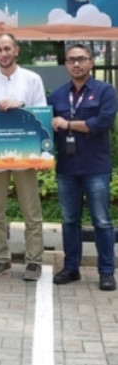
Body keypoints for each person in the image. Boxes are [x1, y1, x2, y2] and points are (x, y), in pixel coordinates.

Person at [0, 33, 47, 281]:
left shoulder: (32, 79)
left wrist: (21, 104)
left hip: (25, 152)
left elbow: (41, 114)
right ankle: (1, 258)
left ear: (16, 50)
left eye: (7, 48)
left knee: (31, 210)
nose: (3, 53)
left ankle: (34, 260)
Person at [48, 43, 118, 291]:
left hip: (95, 167)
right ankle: (71, 267)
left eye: (81, 59)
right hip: (67, 168)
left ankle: (107, 271)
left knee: (101, 221)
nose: (76, 64)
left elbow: (102, 123)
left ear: (91, 62)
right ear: (66, 64)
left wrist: (67, 124)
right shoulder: (56, 96)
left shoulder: (105, 91)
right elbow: (45, 123)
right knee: (69, 221)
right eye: (71, 60)